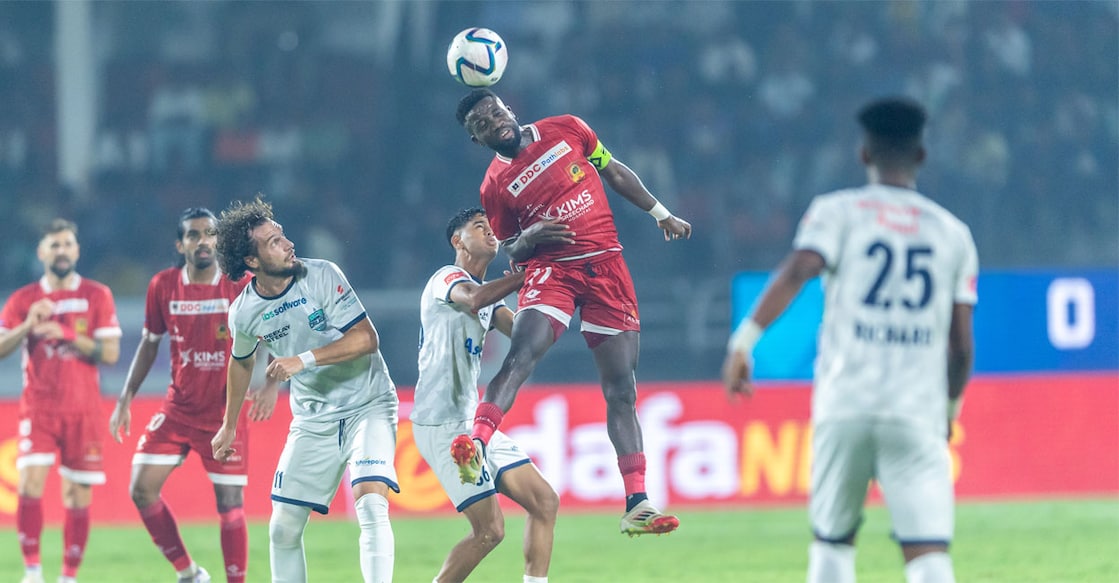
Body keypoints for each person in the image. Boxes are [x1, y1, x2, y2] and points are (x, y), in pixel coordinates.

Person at [721, 97, 977, 583]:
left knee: (833, 541)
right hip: (916, 410)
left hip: (845, 403)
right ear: (921, 156)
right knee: (928, 554)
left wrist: (743, 342)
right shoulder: (953, 234)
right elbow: (961, 348)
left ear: (864, 155)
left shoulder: (837, 212)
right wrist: (948, 414)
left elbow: (800, 270)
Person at [453, 88, 692, 536]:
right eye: (480, 125)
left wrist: (661, 213)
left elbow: (615, 171)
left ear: (508, 106)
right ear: (477, 140)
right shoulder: (495, 186)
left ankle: (637, 505)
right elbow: (511, 250)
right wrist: (535, 234)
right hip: (552, 271)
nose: (492, 123)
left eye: (493, 112)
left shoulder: (568, 128)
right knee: (522, 354)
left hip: (607, 268)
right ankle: (476, 445)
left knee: (622, 388)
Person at [209, 196, 399, 583]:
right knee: (282, 529)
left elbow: (366, 339)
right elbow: (242, 360)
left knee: (371, 503)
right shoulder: (244, 312)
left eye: (282, 235)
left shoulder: (323, 275)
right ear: (251, 262)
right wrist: (228, 425)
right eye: (273, 242)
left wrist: (303, 360)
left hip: (369, 403)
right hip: (314, 420)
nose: (288, 243)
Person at [108, 207, 280, 583]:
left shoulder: (241, 285)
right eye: (193, 235)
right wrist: (125, 399)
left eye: (210, 233)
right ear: (180, 243)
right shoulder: (163, 285)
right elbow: (149, 344)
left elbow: (280, 328)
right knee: (141, 489)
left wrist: (271, 383)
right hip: (178, 409)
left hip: (224, 413)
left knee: (230, 505)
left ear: (219, 240)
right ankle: (189, 573)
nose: (203, 241)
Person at [413, 207, 558, 583]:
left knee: (544, 501)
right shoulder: (447, 278)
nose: (491, 232)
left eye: (493, 228)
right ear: (457, 241)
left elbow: (527, 338)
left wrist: (553, 294)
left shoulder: (491, 295)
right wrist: (524, 277)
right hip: (441, 424)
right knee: (490, 530)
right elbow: (474, 299)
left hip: (473, 425)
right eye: (480, 227)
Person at [0, 219, 122, 583]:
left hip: (83, 409)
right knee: (29, 484)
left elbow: (111, 353)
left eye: (67, 244)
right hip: (38, 408)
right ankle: (33, 572)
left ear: (77, 250)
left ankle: (68, 576)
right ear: (41, 253)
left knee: (77, 494)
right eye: (54, 245)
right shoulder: (24, 299)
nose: (61, 251)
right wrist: (26, 327)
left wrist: (66, 333)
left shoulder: (97, 294)